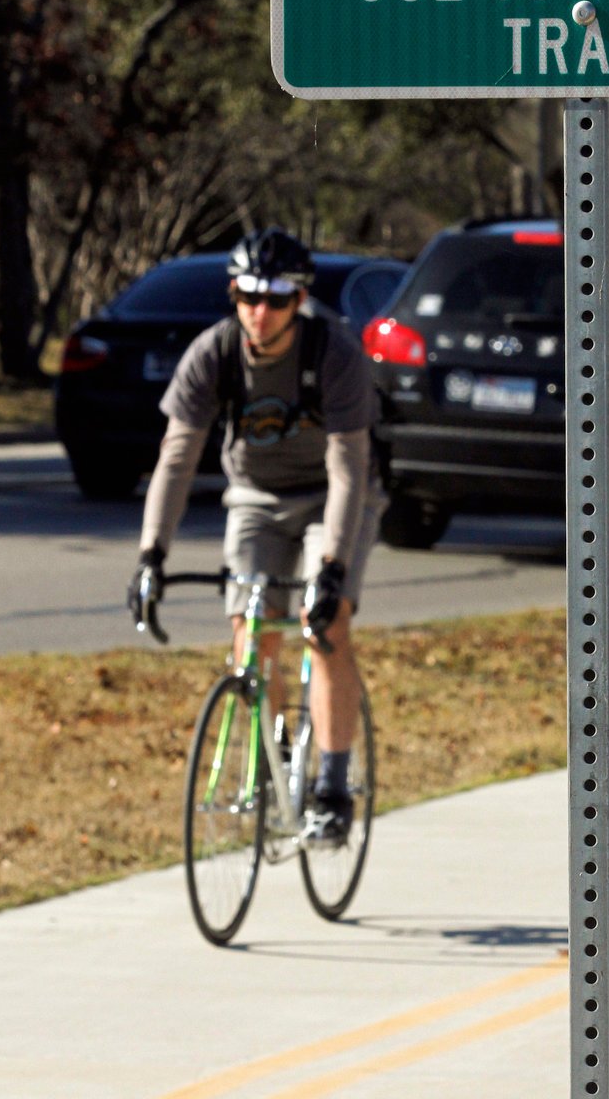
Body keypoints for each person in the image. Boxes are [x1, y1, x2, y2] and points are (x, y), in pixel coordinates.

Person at [127, 227, 386, 841]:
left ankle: (332, 787)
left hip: (333, 495)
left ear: (299, 300)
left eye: (273, 300)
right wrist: (150, 555)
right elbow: (176, 457)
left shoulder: (335, 354)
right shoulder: (213, 353)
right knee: (252, 632)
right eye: (246, 297)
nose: (258, 313)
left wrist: (330, 569)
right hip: (256, 499)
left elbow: (349, 465)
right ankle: (276, 757)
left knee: (325, 626)